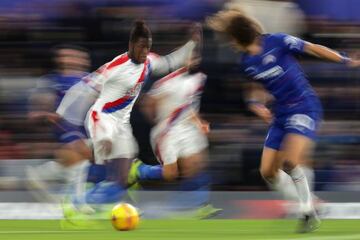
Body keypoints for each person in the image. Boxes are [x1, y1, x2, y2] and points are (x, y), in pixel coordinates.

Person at [206, 9, 360, 233]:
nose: (229, 44)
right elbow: (255, 89)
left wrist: (345, 60)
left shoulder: (277, 41)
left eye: (229, 38)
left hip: (304, 106)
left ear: (237, 36)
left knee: (290, 162)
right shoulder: (246, 62)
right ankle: (311, 202)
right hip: (280, 114)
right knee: (267, 172)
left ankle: (308, 212)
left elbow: (312, 48)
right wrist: (256, 105)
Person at [64, 20, 203, 219]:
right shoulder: (116, 66)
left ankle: (83, 200)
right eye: (141, 47)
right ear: (132, 46)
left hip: (121, 122)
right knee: (106, 152)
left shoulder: (150, 61)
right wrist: (68, 117)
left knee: (118, 182)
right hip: (102, 117)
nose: (145, 51)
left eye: (147, 47)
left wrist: (191, 44)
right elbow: (85, 88)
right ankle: (80, 195)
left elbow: (170, 62)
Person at [137, 53, 221, 218]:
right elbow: (147, 102)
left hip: (187, 128)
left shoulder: (198, 79)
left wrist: (200, 123)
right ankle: (139, 171)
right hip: (167, 130)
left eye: (196, 57)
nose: (194, 60)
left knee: (197, 163)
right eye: (190, 57)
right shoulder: (167, 81)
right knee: (170, 174)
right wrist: (158, 122)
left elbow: (189, 106)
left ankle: (200, 206)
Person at [27, 45, 94, 202]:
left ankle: (41, 175)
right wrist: (43, 113)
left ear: (84, 60)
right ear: (60, 60)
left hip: (85, 125)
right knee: (82, 152)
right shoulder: (52, 80)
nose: (70, 59)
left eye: (74, 56)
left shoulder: (90, 79)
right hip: (63, 123)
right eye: (66, 56)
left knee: (79, 160)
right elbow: (38, 103)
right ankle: (75, 200)